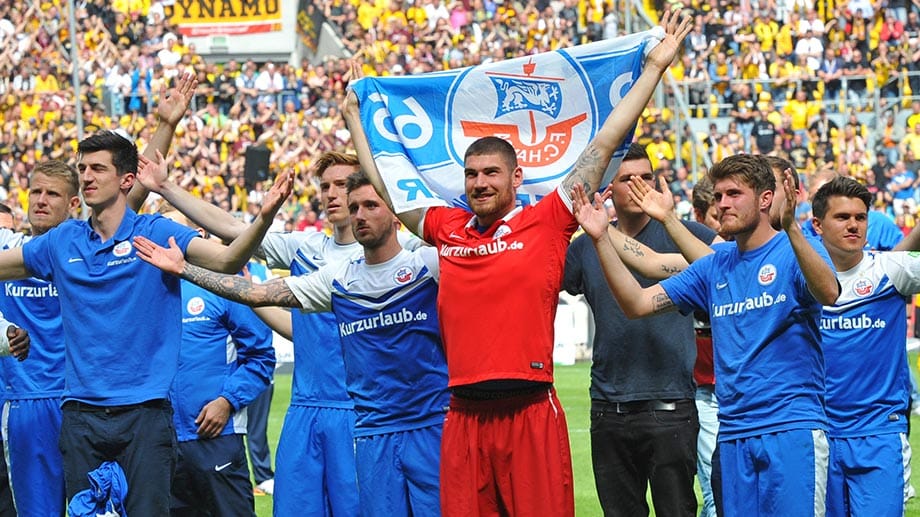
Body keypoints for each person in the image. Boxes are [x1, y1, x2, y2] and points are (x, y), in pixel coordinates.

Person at [344, 10, 692, 516]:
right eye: (471, 174)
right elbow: (390, 192)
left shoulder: (548, 221)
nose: (480, 182)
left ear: (516, 177)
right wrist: (356, 121)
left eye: (491, 173)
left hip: (529, 411)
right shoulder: (448, 229)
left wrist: (653, 71)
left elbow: (602, 145)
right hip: (462, 415)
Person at [0, 130, 291, 514]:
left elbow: (227, 261)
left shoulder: (153, 233)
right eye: (83, 168)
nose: (87, 176)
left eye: (98, 168)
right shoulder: (62, 242)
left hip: (145, 415)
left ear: (126, 180)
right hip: (80, 416)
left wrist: (264, 218)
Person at [134, 172, 450, 517]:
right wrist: (168, 197)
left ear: (392, 210)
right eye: (326, 186)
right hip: (312, 407)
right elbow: (249, 273)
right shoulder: (326, 267)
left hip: (377, 413)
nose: (337, 197)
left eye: (349, 191)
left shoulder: (423, 260)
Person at [572, 154, 839, 516]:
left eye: (734, 194)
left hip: (790, 427)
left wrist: (791, 228)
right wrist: (602, 237)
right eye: (718, 196)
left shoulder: (795, 249)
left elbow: (829, 293)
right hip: (733, 433)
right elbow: (637, 302)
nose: (723, 204)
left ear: (764, 199)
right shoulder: (715, 265)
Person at [0, 74, 197, 516]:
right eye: (34, 192)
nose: (40, 202)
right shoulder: (20, 249)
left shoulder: (91, 240)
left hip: (90, 397)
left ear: (75, 203)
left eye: (53, 194)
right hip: (37, 400)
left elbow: (133, 188)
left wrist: (165, 126)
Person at [562, 143, 716, 516]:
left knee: (677, 511)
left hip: (672, 402)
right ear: (608, 188)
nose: (638, 186)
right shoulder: (583, 248)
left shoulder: (689, 235)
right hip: (608, 405)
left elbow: (719, 267)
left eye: (645, 177)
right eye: (626, 179)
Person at [810, 176, 918, 516]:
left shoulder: (892, 271)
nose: (853, 225)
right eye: (842, 218)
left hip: (879, 432)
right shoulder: (796, 278)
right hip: (817, 434)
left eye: (860, 217)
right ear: (818, 225)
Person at [161, 206, 276, 516]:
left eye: (177, 233)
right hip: (160, 445)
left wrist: (227, 400)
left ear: (197, 237)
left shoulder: (222, 286)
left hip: (216, 438)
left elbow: (261, 356)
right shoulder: (145, 292)